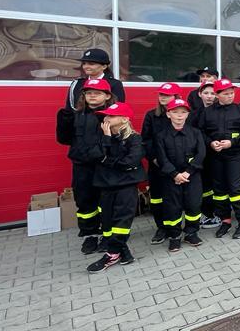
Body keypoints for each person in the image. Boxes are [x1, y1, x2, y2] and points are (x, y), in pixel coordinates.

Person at [87, 101, 145, 273]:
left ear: (124, 119)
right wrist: (106, 140)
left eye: (111, 116)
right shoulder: (100, 137)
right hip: (106, 185)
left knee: (122, 220)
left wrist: (107, 161)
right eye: (106, 115)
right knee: (108, 220)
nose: (106, 118)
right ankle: (124, 253)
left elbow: (130, 161)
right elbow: (95, 155)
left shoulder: (134, 138)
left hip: (126, 185)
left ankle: (112, 254)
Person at [57, 77, 111, 254]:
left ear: (107, 96)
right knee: (85, 202)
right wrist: (63, 122)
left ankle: (108, 235)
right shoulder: (76, 115)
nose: (92, 96)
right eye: (89, 93)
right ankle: (90, 235)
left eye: (97, 93)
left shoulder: (112, 116)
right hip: (82, 167)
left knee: (106, 201)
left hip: (105, 166)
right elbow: (64, 139)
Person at [198, 78, 240, 238]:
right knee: (219, 190)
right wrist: (210, 143)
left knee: (235, 188)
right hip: (215, 156)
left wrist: (232, 143)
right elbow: (200, 132)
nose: (230, 96)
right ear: (217, 95)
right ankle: (225, 221)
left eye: (232, 93)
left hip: (235, 155)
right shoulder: (207, 112)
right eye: (226, 93)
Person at [154, 97, 206, 252]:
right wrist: (175, 174)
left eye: (183, 112)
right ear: (168, 114)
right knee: (172, 207)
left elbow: (201, 154)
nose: (179, 115)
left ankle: (191, 233)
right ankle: (174, 236)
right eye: (175, 112)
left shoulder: (195, 133)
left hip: (192, 176)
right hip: (171, 178)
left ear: (187, 115)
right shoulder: (161, 135)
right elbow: (162, 158)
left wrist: (188, 172)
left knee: (193, 205)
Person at [142, 83, 180, 245]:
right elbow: (146, 140)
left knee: (173, 198)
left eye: (167, 95)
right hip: (157, 165)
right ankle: (161, 228)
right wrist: (154, 158)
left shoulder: (182, 114)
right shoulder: (151, 116)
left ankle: (175, 229)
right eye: (161, 94)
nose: (163, 97)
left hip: (176, 165)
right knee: (157, 198)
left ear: (176, 97)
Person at [190, 81, 220, 228]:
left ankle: (219, 214)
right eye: (206, 93)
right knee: (205, 185)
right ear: (200, 94)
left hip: (219, 153)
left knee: (218, 184)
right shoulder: (194, 115)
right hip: (202, 156)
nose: (209, 96)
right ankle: (208, 213)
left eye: (212, 93)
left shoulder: (221, 112)